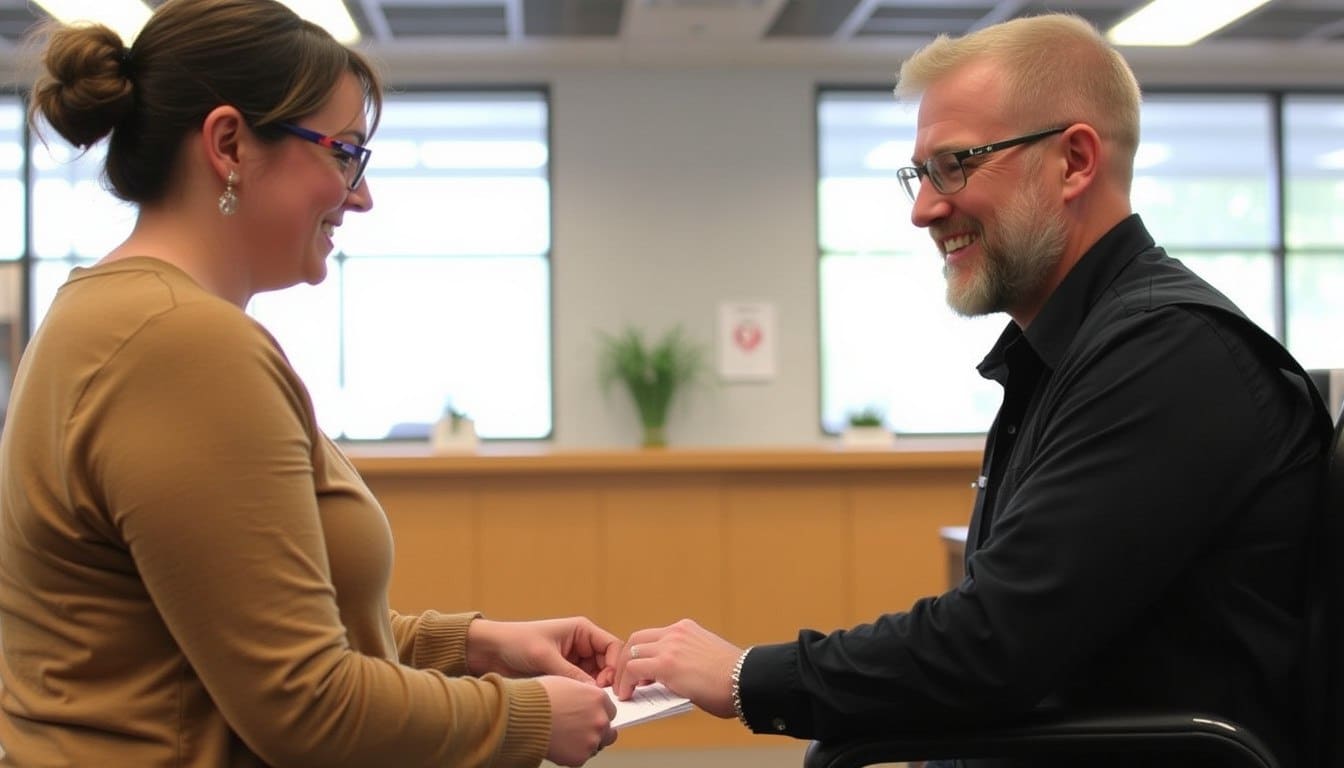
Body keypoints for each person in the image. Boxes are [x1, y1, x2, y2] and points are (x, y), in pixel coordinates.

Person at [612, 13, 1332, 768]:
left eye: (955, 165)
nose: (924, 208)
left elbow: (993, 646)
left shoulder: (1169, 357)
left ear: (1074, 162)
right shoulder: (1081, 350)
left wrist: (743, 677)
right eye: (920, 174)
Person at [0, 1, 620, 766]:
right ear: (228, 143)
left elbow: (245, 625)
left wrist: (476, 646)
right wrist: (524, 717)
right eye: (344, 153)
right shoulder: (179, 345)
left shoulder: (113, 315)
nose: (360, 196)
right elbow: (305, 705)